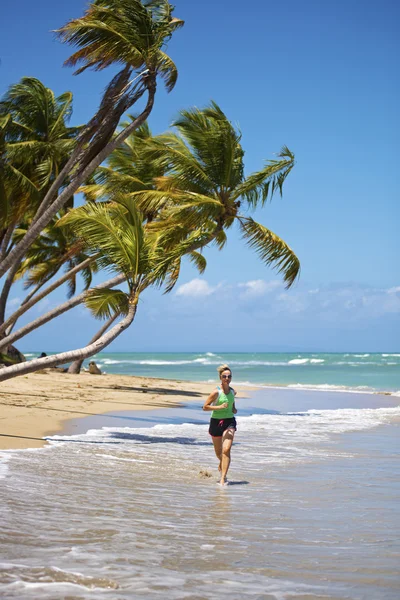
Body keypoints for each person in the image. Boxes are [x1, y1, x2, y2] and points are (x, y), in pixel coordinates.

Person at [203, 364, 237, 486]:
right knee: (219, 452)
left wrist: (233, 409)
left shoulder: (233, 391)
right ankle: (221, 463)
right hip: (216, 422)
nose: (227, 378)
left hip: (229, 421)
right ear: (220, 377)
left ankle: (223, 478)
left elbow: (232, 404)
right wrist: (219, 407)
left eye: (229, 376)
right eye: (224, 376)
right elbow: (205, 407)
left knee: (226, 449)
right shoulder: (216, 392)